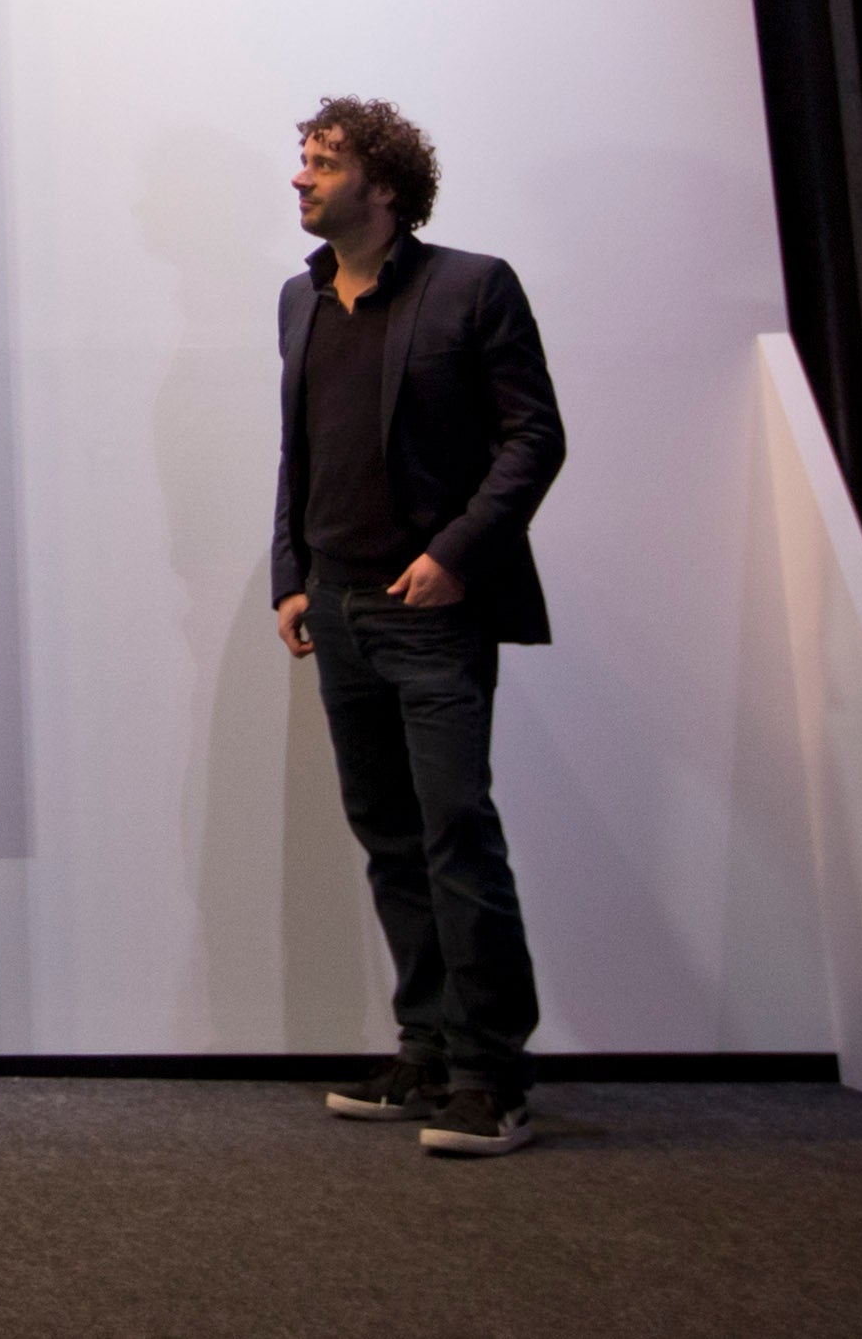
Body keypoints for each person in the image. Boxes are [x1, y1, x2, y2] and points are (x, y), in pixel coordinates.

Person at [271, 94, 565, 1158]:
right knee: (392, 839)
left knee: (456, 835)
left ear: (383, 185)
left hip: (430, 610)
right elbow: (298, 453)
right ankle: (428, 1048)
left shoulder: (472, 287)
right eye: (300, 159)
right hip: (339, 609)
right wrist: (289, 575)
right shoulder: (299, 303)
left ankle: (495, 1075)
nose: (300, 177)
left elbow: (535, 439)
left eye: (322, 162)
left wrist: (455, 556)